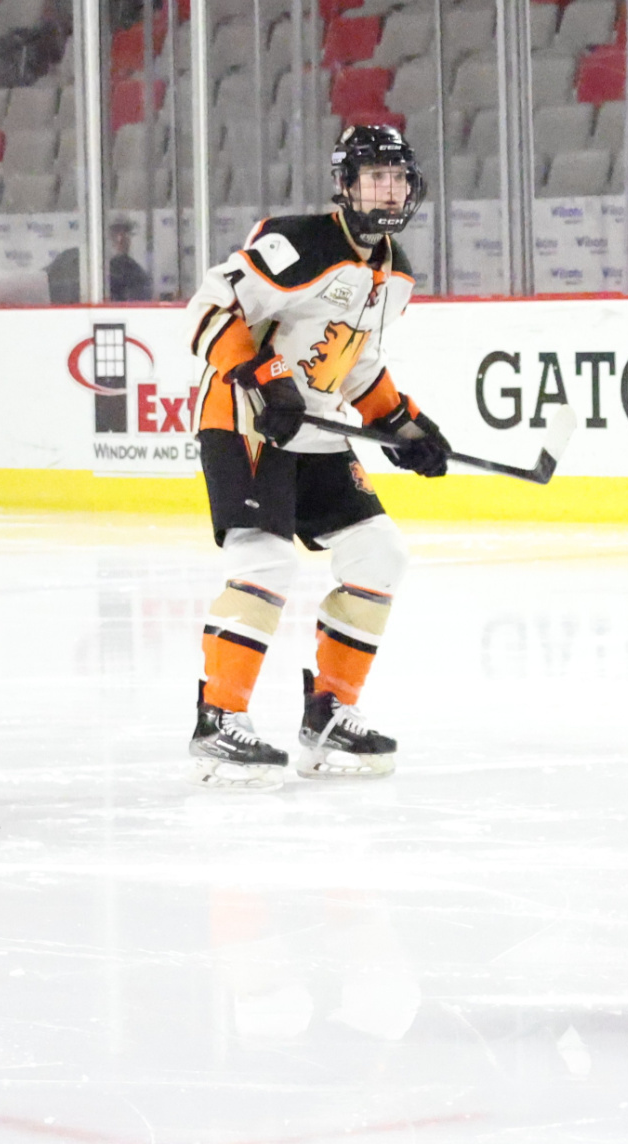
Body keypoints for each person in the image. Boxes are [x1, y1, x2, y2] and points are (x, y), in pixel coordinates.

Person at [185, 124, 449, 789]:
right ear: (345, 184)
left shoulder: (396, 273)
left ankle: (329, 712)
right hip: (245, 420)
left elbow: (356, 369)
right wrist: (267, 376)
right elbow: (210, 311)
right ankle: (219, 717)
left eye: (396, 178)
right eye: (373, 177)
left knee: (379, 552)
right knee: (265, 560)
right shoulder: (297, 241)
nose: (387, 190)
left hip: (319, 428)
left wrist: (407, 424)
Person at [108, 219, 153, 302]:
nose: (120, 239)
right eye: (116, 233)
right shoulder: (99, 272)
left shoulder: (136, 272)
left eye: (125, 234)